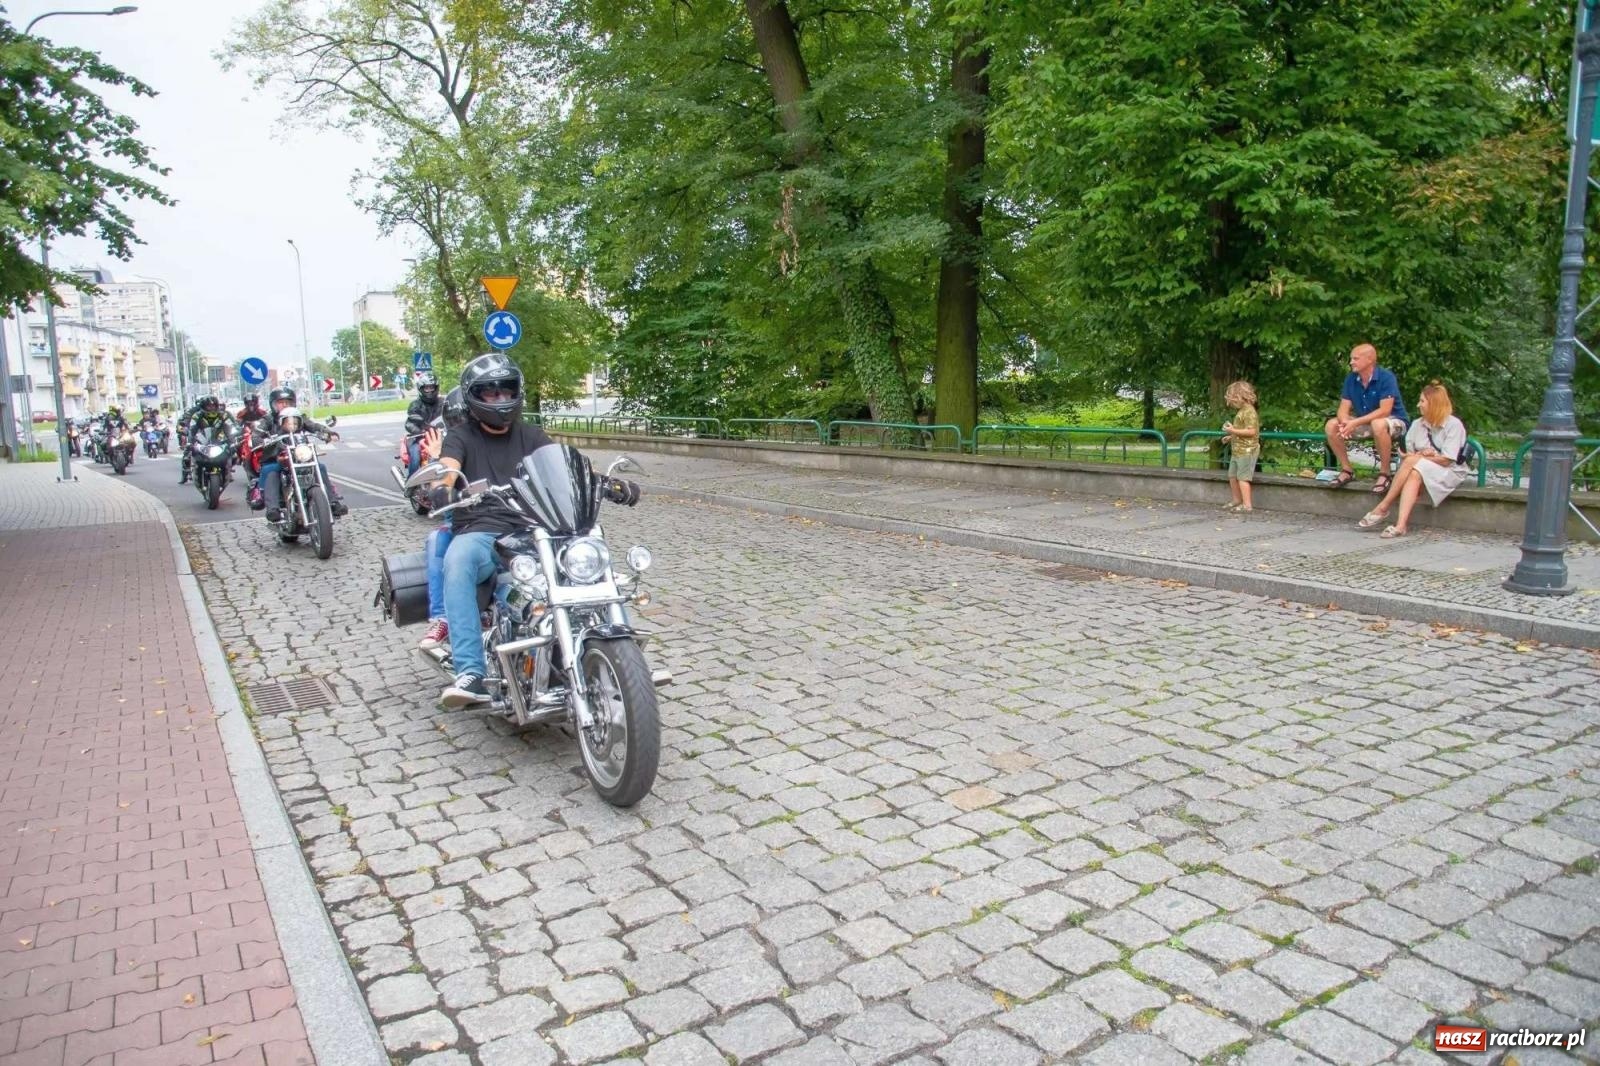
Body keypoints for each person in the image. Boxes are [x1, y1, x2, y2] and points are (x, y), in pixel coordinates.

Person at [1356, 380, 1469, 539]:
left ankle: (1383, 506)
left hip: (1449, 471)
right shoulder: (1417, 424)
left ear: (1434, 403)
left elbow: (1447, 460)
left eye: (1422, 401)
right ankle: (1401, 525)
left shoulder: (1453, 425)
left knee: (1413, 464)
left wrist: (1421, 457)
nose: (1418, 405)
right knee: (1414, 472)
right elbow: (1407, 454)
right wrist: (1421, 456)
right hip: (1420, 469)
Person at [417, 388, 467, 652]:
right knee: (437, 539)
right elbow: (435, 483)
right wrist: (435, 460)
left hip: (507, 515)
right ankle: (442, 617)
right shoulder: (446, 445)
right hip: (462, 519)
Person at [1324, 342, 1409, 493]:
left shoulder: (1386, 377)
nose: (1351, 362)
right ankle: (1347, 470)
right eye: (1351, 359)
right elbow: (1343, 409)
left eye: (1355, 359)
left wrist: (1355, 422)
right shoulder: (1351, 379)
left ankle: (1385, 473)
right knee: (1332, 425)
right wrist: (1345, 422)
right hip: (1366, 422)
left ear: (1369, 359)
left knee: (1378, 423)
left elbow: (1385, 411)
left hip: (1394, 422)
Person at [255, 389, 346, 521]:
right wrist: (260, 440)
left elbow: (313, 425)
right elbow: (257, 433)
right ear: (273, 404)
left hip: (299, 454)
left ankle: (333, 502)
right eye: (281, 402)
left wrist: (326, 432)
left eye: (288, 402)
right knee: (272, 471)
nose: (285, 405)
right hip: (278, 456)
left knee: (320, 468)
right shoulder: (268, 419)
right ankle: (273, 508)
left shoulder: (299, 418)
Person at [1221, 380, 1259, 513]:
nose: (1232, 403)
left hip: (1247, 451)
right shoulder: (1242, 411)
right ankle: (1237, 499)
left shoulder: (1249, 411)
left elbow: (1251, 432)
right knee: (1232, 475)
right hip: (1237, 450)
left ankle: (1247, 505)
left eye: (1233, 399)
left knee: (1243, 478)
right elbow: (1242, 430)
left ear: (1241, 396)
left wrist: (1232, 431)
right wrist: (1231, 436)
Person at [179, 397, 237, 484]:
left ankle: (227, 469)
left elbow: (231, 425)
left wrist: (236, 431)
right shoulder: (197, 415)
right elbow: (192, 428)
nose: (211, 408)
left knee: (234, 454)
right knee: (187, 454)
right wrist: (189, 439)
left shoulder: (224, 415)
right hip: (201, 439)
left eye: (213, 406)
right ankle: (185, 473)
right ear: (203, 406)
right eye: (209, 406)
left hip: (219, 439)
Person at [403, 371, 444, 476]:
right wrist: (420, 431)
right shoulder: (415, 405)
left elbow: (451, 415)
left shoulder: (444, 403)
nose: (429, 390)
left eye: (431, 387)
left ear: (436, 388)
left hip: (440, 436)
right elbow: (409, 423)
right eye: (426, 388)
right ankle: (411, 483)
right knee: (415, 456)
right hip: (419, 438)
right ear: (421, 389)